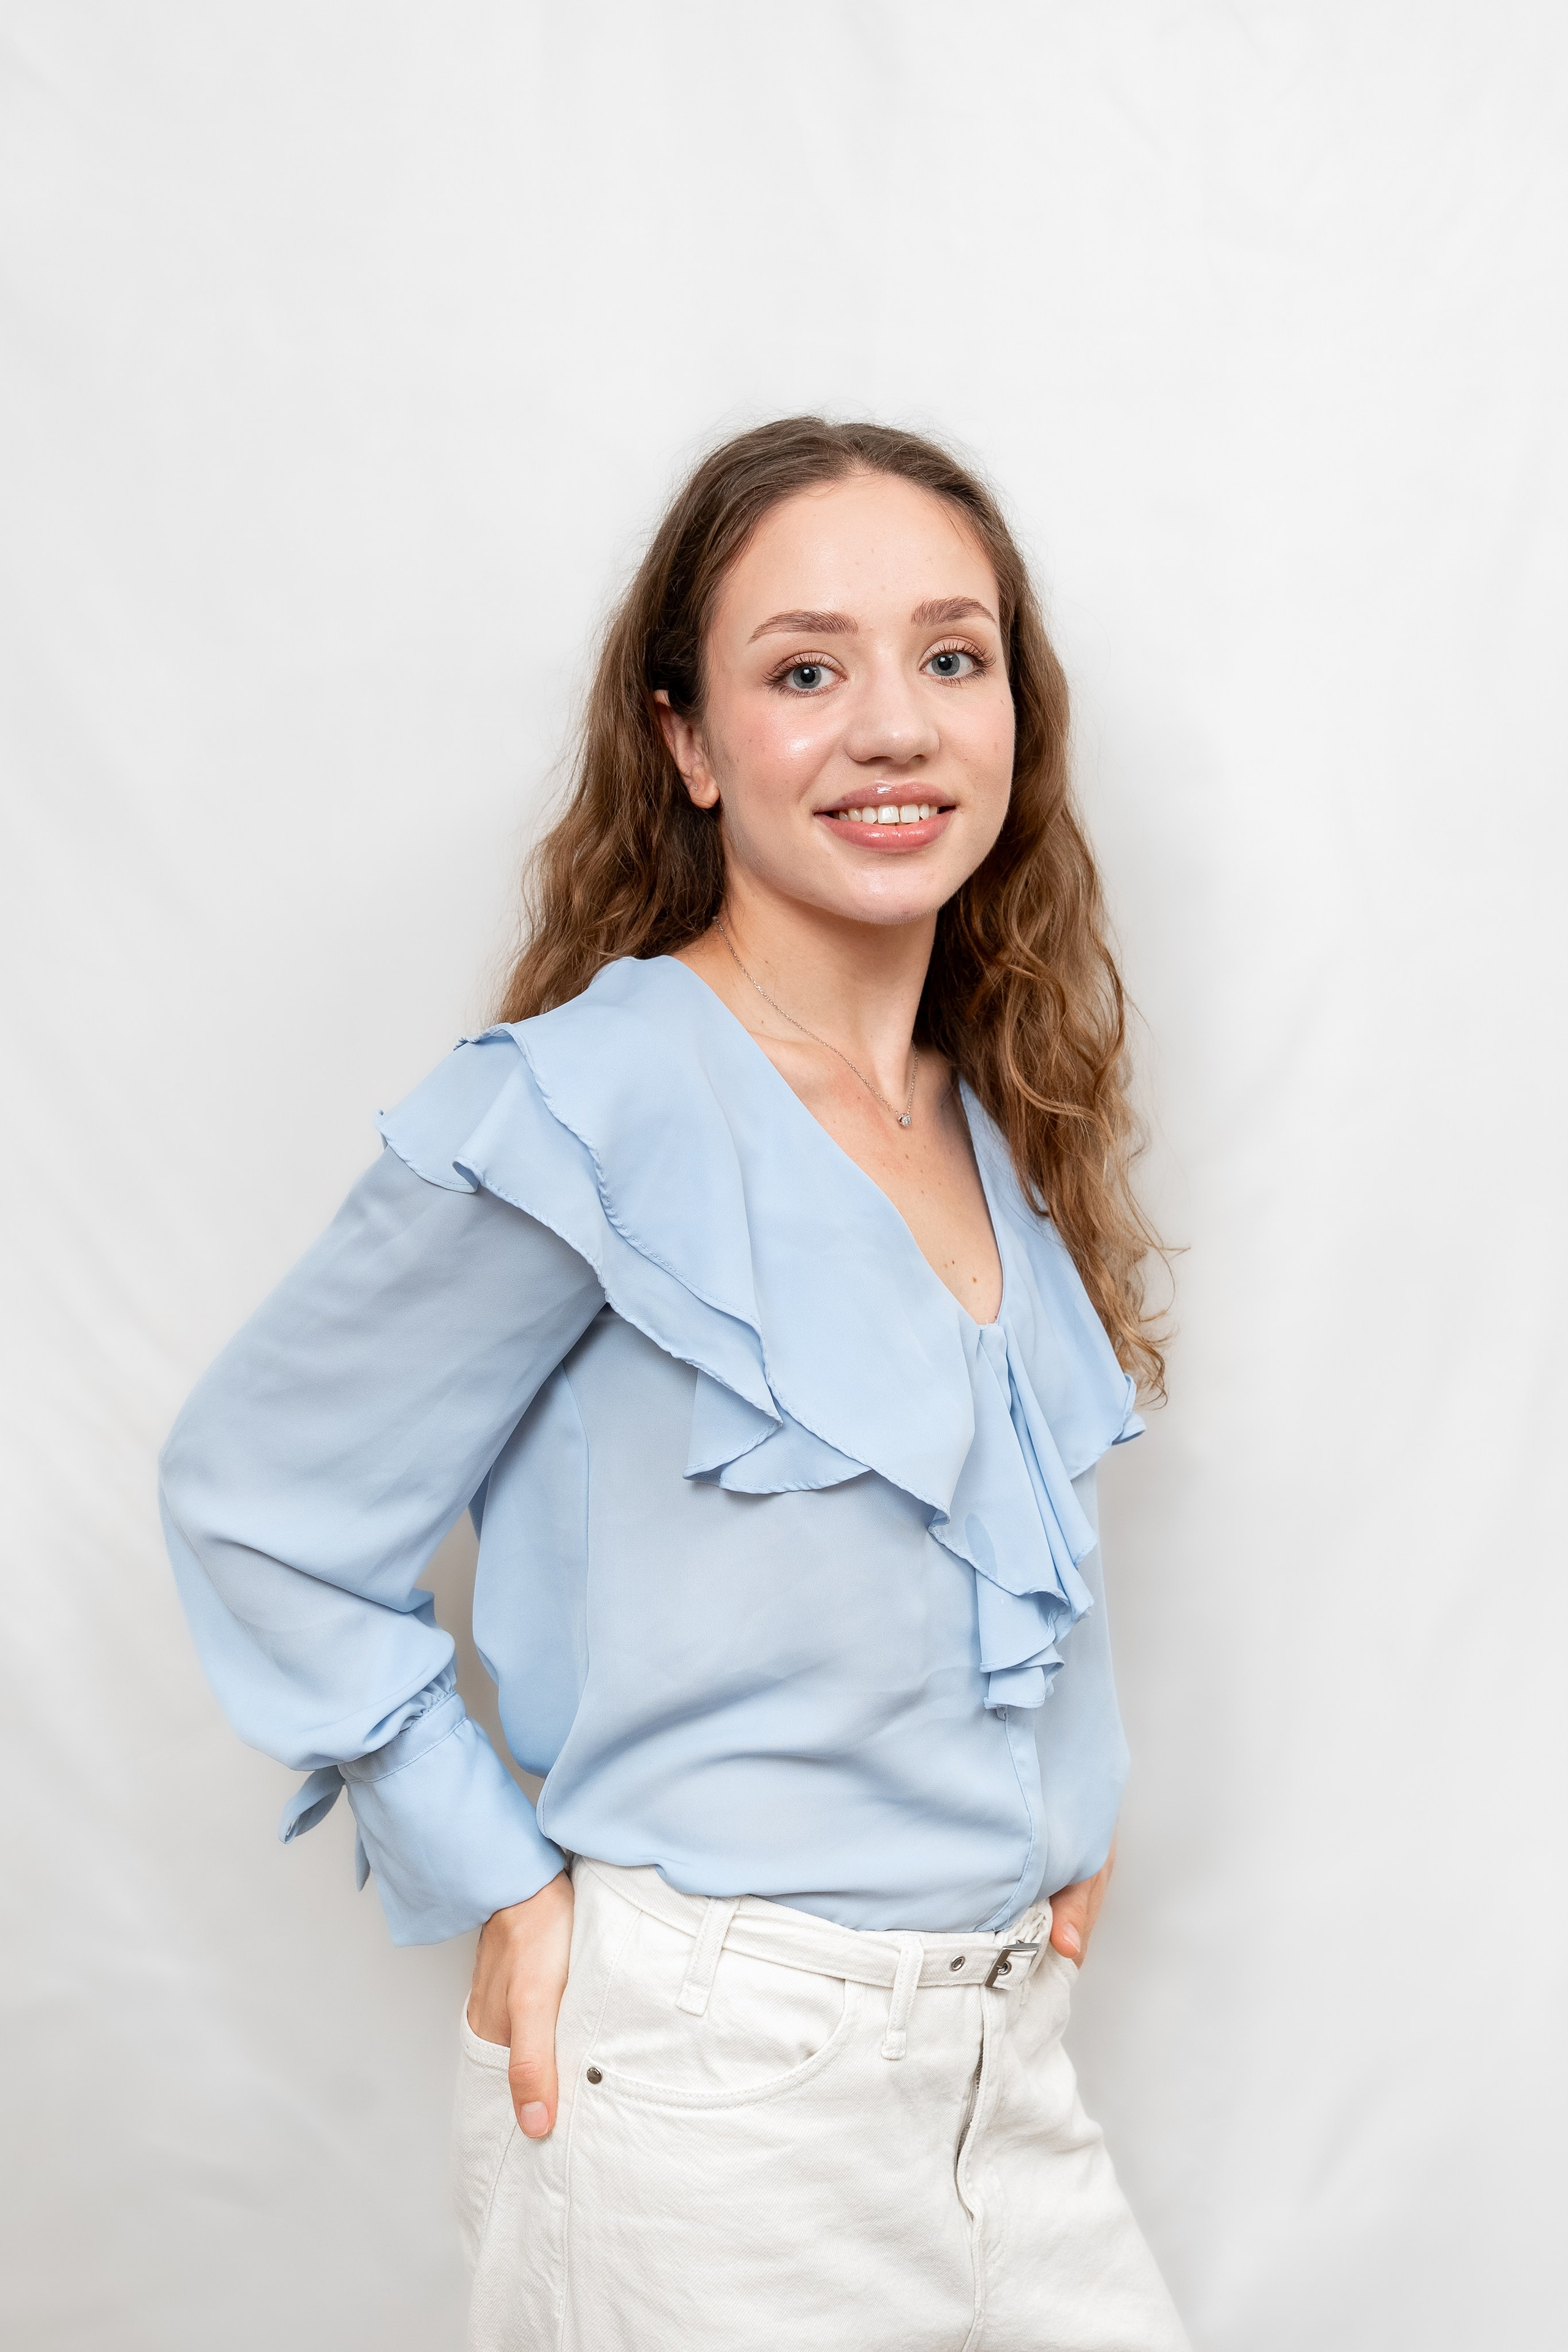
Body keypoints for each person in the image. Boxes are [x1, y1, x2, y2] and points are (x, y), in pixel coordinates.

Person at [159, 417, 1189, 2351]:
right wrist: (505, 1881)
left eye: (951, 659)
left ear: (1014, 724)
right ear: (691, 746)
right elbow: (260, 1500)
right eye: (807, 670)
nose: (895, 724)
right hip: (715, 2110)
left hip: (1006, 2090)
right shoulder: (588, 1099)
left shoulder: (995, 1114)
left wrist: (1068, 1812)